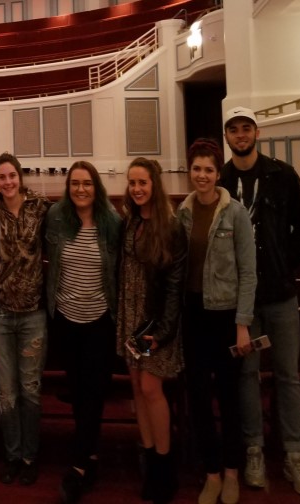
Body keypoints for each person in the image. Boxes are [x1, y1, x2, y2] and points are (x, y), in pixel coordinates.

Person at [220, 107, 300, 496]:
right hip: (240, 300)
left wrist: (282, 264)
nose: (241, 135)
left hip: (280, 294)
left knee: (287, 375)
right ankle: (254, 449)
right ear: (227, 135)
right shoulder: (222, 180)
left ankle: (294, 453)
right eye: (234, 129)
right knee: (246, 374)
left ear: (256, 132)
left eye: (246, 128)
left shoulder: (281, 175)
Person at [178, 138, 257, 504]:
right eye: (197, 169)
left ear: (217, 173)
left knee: (229, 397)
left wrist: (243, 324)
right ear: (190, 170)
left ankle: (231, 472)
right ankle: (210, 472)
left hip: (225, 316)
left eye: (209, 169)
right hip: (192, 315)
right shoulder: (183, 212)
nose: (203, 175)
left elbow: (248, 272)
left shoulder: (236, 213)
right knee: (197, 397)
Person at [46, 161, 122, 504]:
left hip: (100, 322)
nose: (80, 189)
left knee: (94, 392)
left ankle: (78, 465)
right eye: (75, 183)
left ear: (96, 187)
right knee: (78, 392)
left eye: (86, 184)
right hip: (65, 319)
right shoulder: (57, 218)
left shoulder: (112, 223)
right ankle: (90, 455)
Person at [116, 157, 186, 504]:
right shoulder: (129, 221)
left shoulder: (169, 226)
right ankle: (146, 454)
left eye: (142, 182)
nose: (137, 188)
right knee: (136, 386)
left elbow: (174, 286)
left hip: (151, 319)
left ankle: (164, 463)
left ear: (154, 185)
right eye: (132, 183)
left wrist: (162, 330)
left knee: (150, 387)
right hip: (131, 316)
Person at [0, 152, 51, 486]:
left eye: (12, 176)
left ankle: (30, 455)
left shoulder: (40, 207)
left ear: (19, 177)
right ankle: (12, 454)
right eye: (1, 177)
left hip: (33, 315)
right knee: (7, 393)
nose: (7, 182)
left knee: (30, 389)